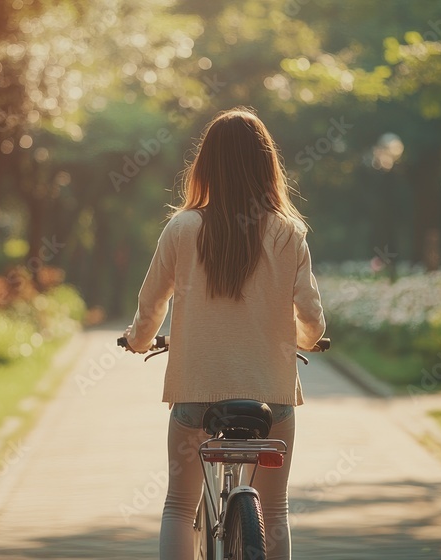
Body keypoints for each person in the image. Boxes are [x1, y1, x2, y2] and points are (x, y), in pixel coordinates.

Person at [122, 107, 326, 560]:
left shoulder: (182, 228)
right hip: (272, 399)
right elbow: (312, 318)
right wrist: (305, 340)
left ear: (205, 165)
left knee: (179, 504)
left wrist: (138, 340)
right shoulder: (288, 233)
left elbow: (152, 302)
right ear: (266, 165)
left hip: (196, 395)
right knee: (275, 511)